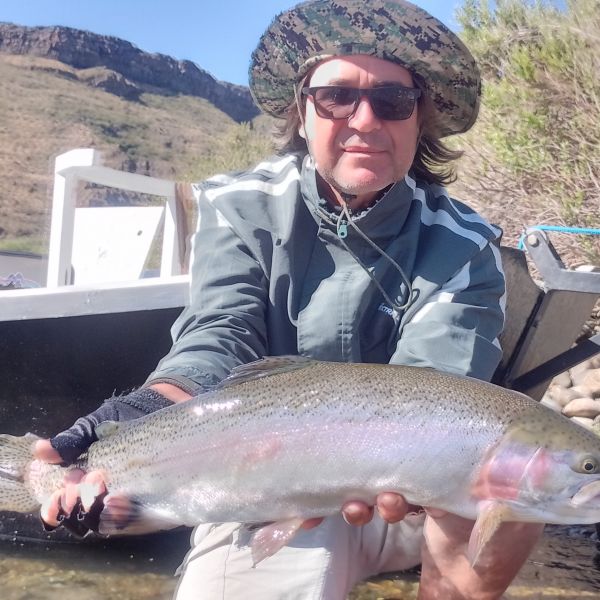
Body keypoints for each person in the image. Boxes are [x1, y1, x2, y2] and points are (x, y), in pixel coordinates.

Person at [34, 0, 543, 598]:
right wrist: (145, 411)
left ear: (420, 120)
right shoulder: (237, 206)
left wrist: (392, 465)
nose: (365, 120)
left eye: (393, 101)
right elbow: (220, 333)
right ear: (301, 110)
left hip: (412, 497)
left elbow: (433, 389)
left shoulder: (465, 246)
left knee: (516, 491)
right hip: (262, 473)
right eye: (336, 96)